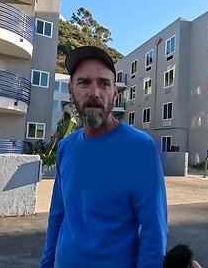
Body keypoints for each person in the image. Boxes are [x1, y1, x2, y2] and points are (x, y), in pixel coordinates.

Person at [40, 46, 168, 267]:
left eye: (104, 83)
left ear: (114, 93)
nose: (94, 92)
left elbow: (153, 228)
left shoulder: (140, 148)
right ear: (71, 90)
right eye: (84, 82)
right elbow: (57, 216)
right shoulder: (66, 147)